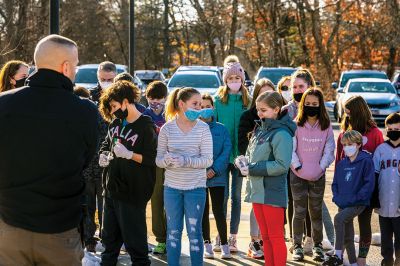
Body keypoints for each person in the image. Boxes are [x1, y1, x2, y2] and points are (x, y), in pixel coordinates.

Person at [0, 34, 99, 265]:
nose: (76, 70)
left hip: (9, 225)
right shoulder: (83, 111)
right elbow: (86, 159)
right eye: (75, 65)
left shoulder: (3, 104)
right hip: (60, 229)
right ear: (65, 67)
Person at [98, 80, 157, 265]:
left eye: (115, 106)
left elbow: (152, 158)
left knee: (136, 246)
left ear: (125, 101)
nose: (114, 111)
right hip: (111, 190)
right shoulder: (115, 123)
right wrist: (103, 155)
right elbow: (106, 144)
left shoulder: (145, 125)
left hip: (132, 193)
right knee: (108, 244)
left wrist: (130, 154)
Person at [235, 91, 296, 266]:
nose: (259, 113)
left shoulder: (281, 134)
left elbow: (282, 165)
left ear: (276, 109)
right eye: (257, 109)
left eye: (263, 110)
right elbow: (251, 155)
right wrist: (243, 160)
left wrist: (251, 168)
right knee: (265, 237)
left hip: (272, 193)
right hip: (257, 191)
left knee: (275, 237)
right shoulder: (259, 129)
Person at [156, 87, 213, 266]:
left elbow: (207, 160)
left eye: (200, 104)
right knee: (173, 232)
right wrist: (166, 160)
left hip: (196, 188)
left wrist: (185, 160)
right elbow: (158, 159)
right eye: (194, 104)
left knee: (195, 232)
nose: (199, 108)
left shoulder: (203, 128)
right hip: (171, 188)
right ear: (181, 104)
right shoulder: (167, 129)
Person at [336, 95, 384, 265]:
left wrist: (375, 189)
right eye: (345, 114)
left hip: (366, 189)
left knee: (364, 223)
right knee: (344, 221)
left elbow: (380, 162)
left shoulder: (375, 134)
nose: (347, 117)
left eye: (350, 114)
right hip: (347, 189)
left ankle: (362, 257)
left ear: (358, 113)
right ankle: (340, 254)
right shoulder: (343, 134)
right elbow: (338, 162)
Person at [290, 88, 335, 262]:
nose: (311, 106)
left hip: (318, 176)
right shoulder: (296, 124)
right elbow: (291, 149)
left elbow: (329, 150)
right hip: (298, 175)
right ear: (303, 105)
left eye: (314, 104)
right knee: (299, 212)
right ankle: (298, 246)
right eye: (307, 104)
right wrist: (298, 166)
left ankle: (317, 245)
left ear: (320, 105)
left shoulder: (326, 126)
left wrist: (320, 168)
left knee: (316, 212)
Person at [214, 55, 251, 252]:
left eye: (237, 79)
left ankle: (233, 236)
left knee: (236, 197)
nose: (234, 82)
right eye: (230, 79)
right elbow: (214, 128)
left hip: (240, 158)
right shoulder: (218, 100)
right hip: (222, 157)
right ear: (225, 81)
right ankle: (220, 234)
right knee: (222, 197)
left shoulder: (248, 100)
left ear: (242, 80)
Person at [323, 130, 375, 266]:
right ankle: (353, 263)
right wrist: (337, 198)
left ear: (358, 144)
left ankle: (338, 254)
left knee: (338, 219)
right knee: (348, 236)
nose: (346, 147)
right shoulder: (342, 164)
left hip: (358, 203)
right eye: (344, 144)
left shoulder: (366, 161)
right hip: (343, 203)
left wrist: (357, 198)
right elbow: (335, 183)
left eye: (350, 144)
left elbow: (369, 184)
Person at [238, 78, 275, 259]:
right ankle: (255, 240)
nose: (266, 98)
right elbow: (242, 143)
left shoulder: (279, 117)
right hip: (253, 167)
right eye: (262, 93)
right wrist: (246, 164)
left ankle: (268, 239)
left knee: (271, 204)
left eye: (270, 94)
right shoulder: (248, 116)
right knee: (257, 202)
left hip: (273, 167)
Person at [283, 68, 316, 254]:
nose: (297, 90)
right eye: (294, 86)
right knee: (294, 203)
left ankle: (310, 239)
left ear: (309, 87)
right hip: (291, 165)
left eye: (301, 86)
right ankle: (296, 241)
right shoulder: (285, 111)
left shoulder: (317, 109)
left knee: (311, 203)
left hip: (311, 164)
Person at [200, 94, 232, 260]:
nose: (205, 109)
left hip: (218, 177)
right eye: (201, 106)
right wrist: (203, 170)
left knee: (219, 211)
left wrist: (214, 169)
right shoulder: (194, 128)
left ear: (213, 108)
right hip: (200, 178)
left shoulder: (221, 129)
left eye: (208, 106)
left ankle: (224, 244)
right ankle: (207, 245)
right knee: (203, 212)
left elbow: (226, 152)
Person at [143, 81, 169, 255]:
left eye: (159, 99)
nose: (155, 102)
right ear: (147, 98)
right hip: (151, 163)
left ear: (165, 98)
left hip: (170, 162)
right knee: (156, 201)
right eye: (152, 98)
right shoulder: (144, 115)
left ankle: (172, 236)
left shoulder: (170, 115)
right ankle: (160, 239)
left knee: (172, 202)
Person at [372, 113, 400, 266]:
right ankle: (387, 260)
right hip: (383, 200)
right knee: (386, 236)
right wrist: (374, 196)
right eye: (390, 129)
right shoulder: (381, 149)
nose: (393, 131)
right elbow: (375, 174)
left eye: (397, 128)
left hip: (399, 202)